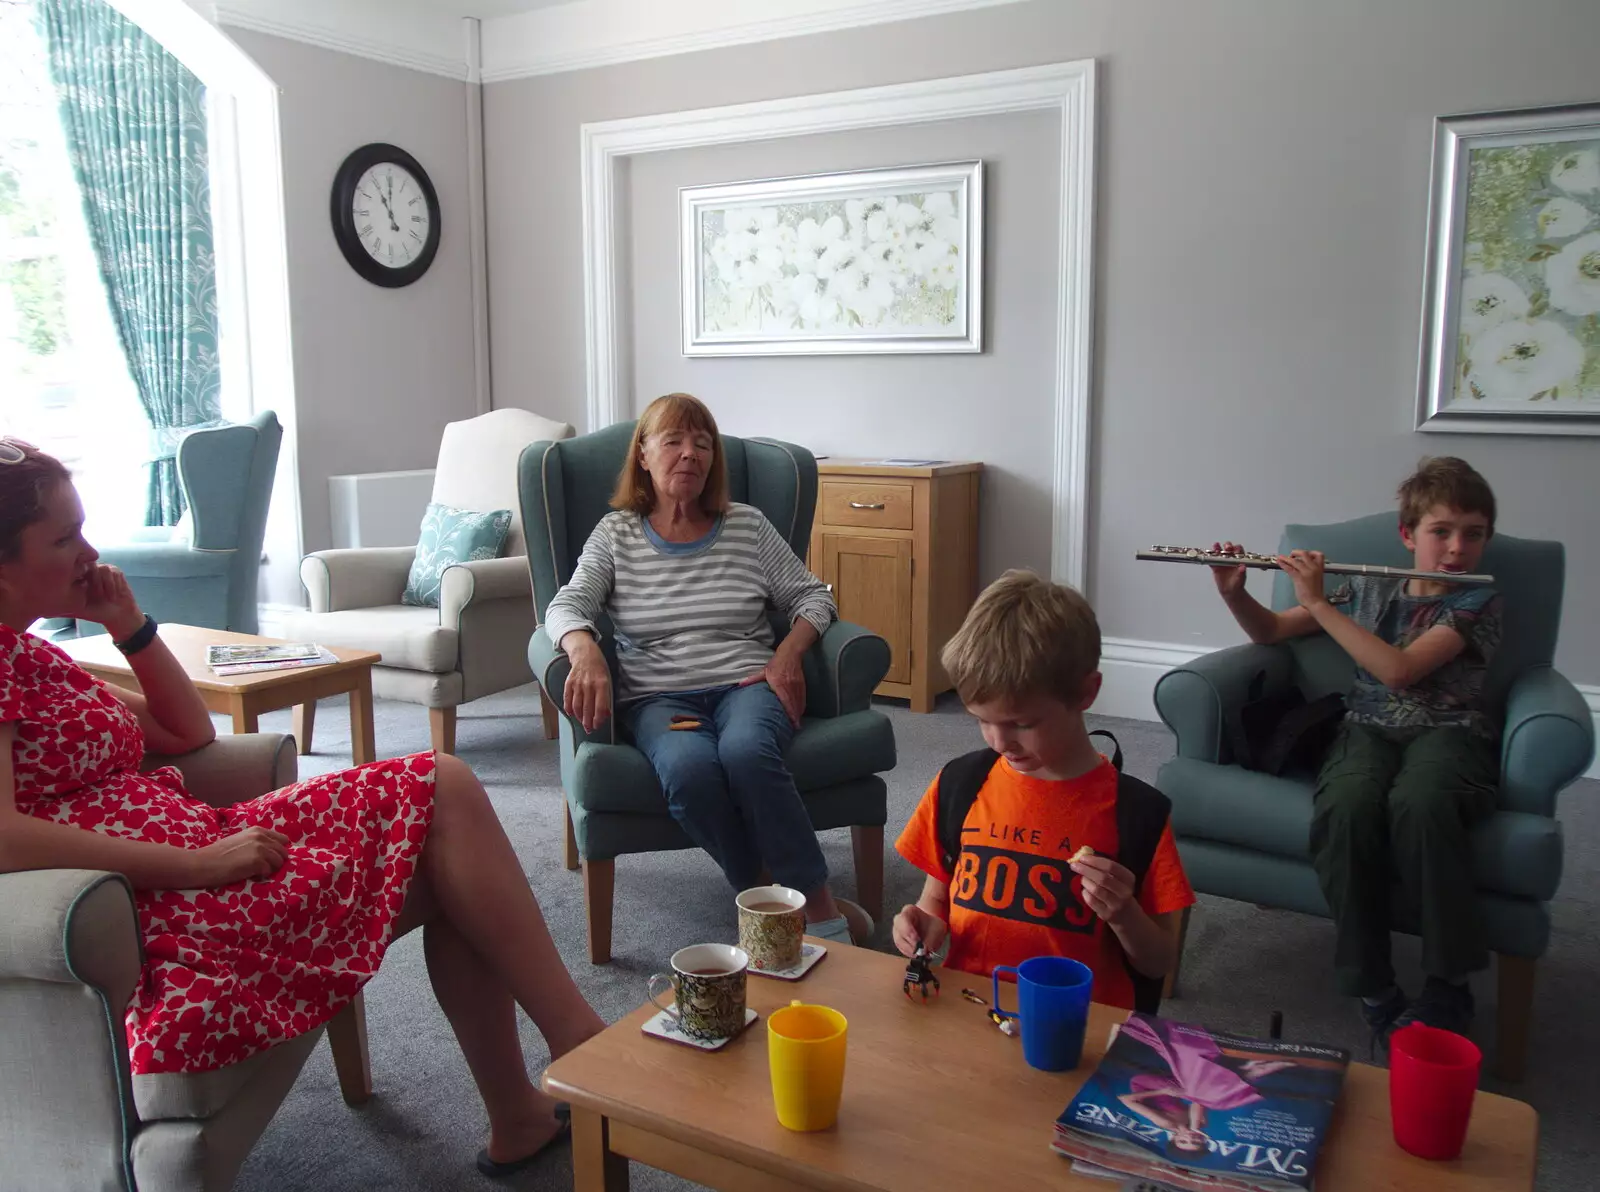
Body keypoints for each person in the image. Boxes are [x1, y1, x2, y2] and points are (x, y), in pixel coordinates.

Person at [0, 438, 606, 1180]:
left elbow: (186, 733)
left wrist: (130, 627)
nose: (90, 552)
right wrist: (195, 864)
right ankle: (574, 1050)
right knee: (447, 825)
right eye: (64, 538)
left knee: (444, 803)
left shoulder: (31, 657)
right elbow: (5, 836)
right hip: (164, 897)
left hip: (208, 844)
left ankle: (527, 1103)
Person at [542, 392, 870, 945]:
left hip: (746, 684)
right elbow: (565, 605)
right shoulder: (616, 533)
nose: (689, 454)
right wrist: (585, 648)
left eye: (702, 443)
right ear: (642, 455)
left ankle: (818, 912)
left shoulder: (747, 526)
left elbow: (814, 598)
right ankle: (766, 893)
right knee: (689, 774)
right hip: (658, 699)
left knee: (746, 754)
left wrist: (788, 655)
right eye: (672, 441)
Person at [1210, 456, 1503, 1042]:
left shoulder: (1477, 602)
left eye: (1473, 535)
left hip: (1450, 732)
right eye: (1440, 532)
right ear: (1408, 535)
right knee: (1345, 808)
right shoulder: (1368, 585)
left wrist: (1319, 602)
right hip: (1366, 728)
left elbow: (1399, 671)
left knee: (1420, 805)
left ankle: (1449, 985)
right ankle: (1373, 984)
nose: (1455, 549)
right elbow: (1269, 631)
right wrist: (1233, 594)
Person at [892, 570, 1194, 1007]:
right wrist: (923, 923)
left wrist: (1124, 913)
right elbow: (936, 900)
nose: (999, 742)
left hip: (1072, 1028)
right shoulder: (960, 785)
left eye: (1022, 723)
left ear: (1086, 693)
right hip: (968, 1011)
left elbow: (1158, 962)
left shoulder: (1135, 814)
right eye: (982, 719)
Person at [1113, 1016, 1298, 1156]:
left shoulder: (1166, 1123)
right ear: (1202, 1139)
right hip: (1185, 1090)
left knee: (1204, 1093)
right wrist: (1194, 1124)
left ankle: (1251, 1070)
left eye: (1184, 1141)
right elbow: (1197, 1102)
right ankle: (1251, 1070)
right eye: (1196, 1142)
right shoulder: (1200, 1124)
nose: (1190, 1138)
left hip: (1150, 1086)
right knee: (1218, 1100)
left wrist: (1163, 1091)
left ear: (1175, 1138)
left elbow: (1124, 1099)